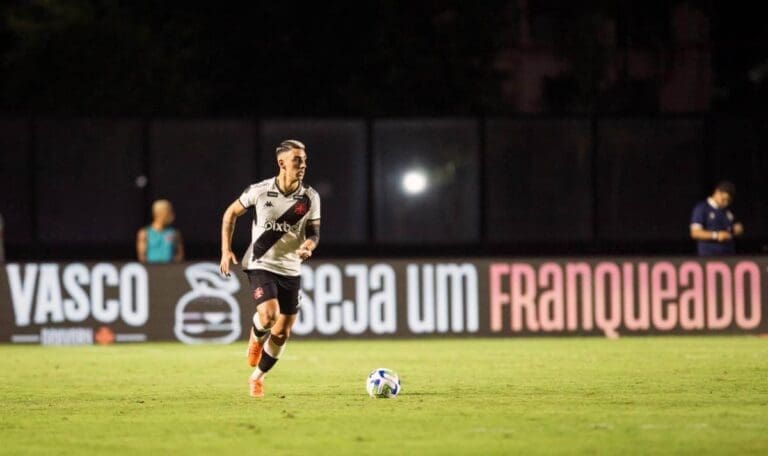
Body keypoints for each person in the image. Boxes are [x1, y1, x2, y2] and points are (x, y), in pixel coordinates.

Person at [219, 139, 321, 398]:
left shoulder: (310, 197)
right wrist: (225, 250)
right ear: (281, 163)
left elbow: (314, 233)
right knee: (268, 315)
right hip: (260, 262)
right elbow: (230, 214)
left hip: (291, 269)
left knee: (282, 332)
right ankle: (256, 337)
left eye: (304, 160)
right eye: (297, 160)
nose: (302, 165)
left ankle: (257, 378)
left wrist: (308, 246)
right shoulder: (260, 191)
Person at [689, 181, 744, 256]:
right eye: (723, 199)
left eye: (728, 201)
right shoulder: (702, 208)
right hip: (709, 256)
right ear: (717, 192)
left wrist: (737, 230)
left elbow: (735, 228)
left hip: (729, 255)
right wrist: (716, 235)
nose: (726, 203)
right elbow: (695, 233)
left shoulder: (728, 210)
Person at [136, 199, 185, 263]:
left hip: (170, 267)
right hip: (151, 268)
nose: (172, 216)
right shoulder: (144, 233)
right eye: (169, 212)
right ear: (160, 214)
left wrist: (173, 265)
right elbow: (142, 256)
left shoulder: (175, 233)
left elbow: (179, 254)